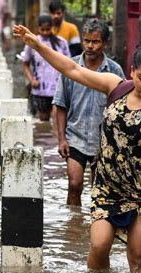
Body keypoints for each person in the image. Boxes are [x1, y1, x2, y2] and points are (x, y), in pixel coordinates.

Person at [13, 25, 141, 273]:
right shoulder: (115, 86)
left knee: (137, 256)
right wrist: (37, 45)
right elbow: (72, 69)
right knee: (99, 245)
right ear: (132, 71)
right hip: (108, 188)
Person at [53, 18, 125, 206]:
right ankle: (74, 226)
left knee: (99, 189)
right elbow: (60, 105)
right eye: (86, 41)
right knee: (74, 184)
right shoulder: (71, 69)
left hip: (103, 141)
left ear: (105, 44)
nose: (90, 46)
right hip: (75, 137)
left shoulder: (115, 71)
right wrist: (61, 139)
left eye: (95, 42)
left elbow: (122, 109)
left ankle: (95, 228)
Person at [22, 15, 70, 121]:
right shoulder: (32, 42)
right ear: (38, 28)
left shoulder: (61, 43)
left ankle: (58, 137)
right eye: (42, 29)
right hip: (40, 88)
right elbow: (25, 63)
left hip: (59, 87)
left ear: (52, 27)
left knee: (58, 118)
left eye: (47, 29)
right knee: (43, 119)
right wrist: (31, 80)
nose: (44, 32)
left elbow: (69, 65)